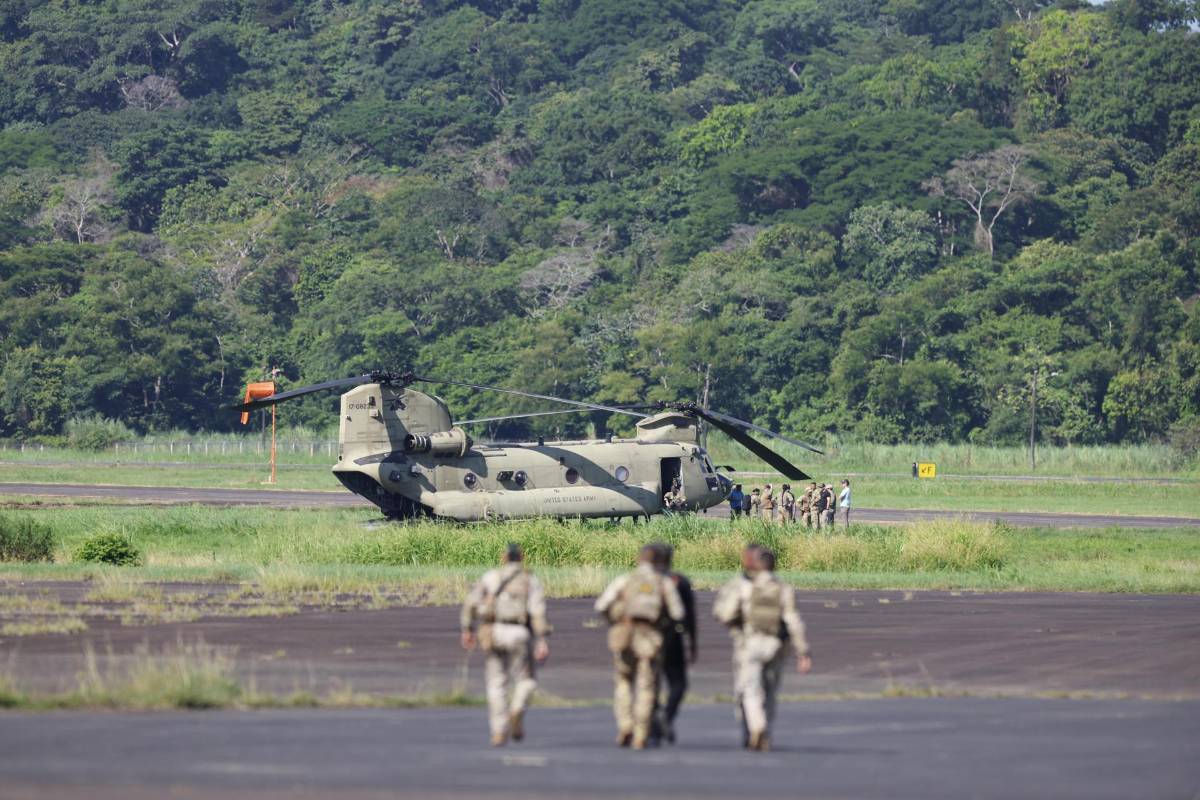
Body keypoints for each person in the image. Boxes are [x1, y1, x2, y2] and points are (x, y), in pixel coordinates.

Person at [713, 546, 811, 751]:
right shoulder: (783, 588)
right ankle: (766, 730)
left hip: (751, 643)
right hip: (776, 645)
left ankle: (757, 726)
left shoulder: (745, 586)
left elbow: (725, 613)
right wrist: (803, 652)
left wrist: (737, 627)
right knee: (770, 691)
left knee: (750, 689)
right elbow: (793, 621)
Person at [595, 543, 685, 749]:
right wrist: (665, 627)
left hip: (625, 634)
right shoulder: (663, 582)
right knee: (647, 686)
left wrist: (614, 622)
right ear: (658, 562)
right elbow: (678, 613)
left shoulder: (625, 580)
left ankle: (625, 724)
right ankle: (641, 733)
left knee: (624, 681)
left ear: (639, 559)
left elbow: (601, 605)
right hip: (650, 638)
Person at [460, 543, 551, 746]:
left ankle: (499, 730)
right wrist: (542, 639)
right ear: (522, 557)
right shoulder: (530, 580)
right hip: (519, 632)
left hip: (493, 632)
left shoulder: (491, 577)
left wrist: (467, 628)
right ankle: (517, 708)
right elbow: (538, 612)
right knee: (527, 680)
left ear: (503, 558)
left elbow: (471, 603)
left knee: (496, 682)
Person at [653, 544, 696, 745]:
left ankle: (654, 726)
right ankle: (667, 716)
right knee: (678, 684)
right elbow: (689, 615)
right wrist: (693, 642)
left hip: (645, 639)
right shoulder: (680, 581)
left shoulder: (639, 580)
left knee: (648, 684)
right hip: (673, 639)